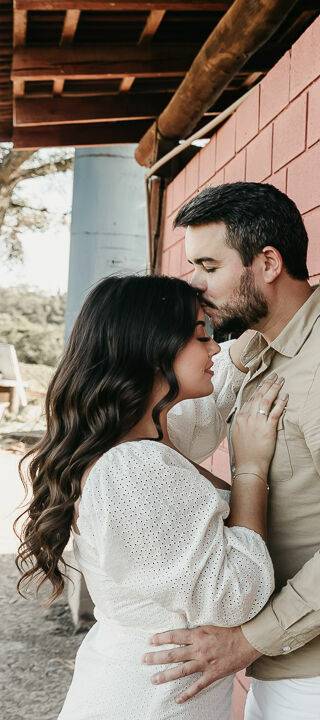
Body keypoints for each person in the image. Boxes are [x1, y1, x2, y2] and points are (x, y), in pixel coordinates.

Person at [143, 182, 320, 720]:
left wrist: (249, 639)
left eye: (209, 265)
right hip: (294, 656)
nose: (196, 286)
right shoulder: (264, 349)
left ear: (267, 262)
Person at [16, 274, 287, 719]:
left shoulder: (135, 442)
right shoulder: (132, 470)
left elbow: (204, 414)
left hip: (135, 687)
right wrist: (252, 471)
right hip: (148, 701)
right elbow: (238, 592)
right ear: (154, 347)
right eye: (203, 337)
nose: (215, 348)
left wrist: (247, 327)